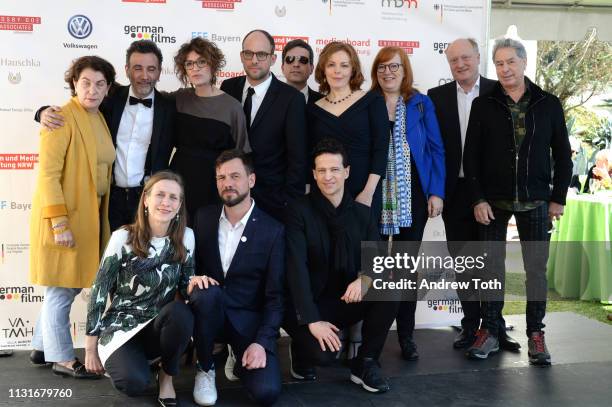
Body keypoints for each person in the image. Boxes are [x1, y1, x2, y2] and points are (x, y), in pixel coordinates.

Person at [463, 38, 572, 365]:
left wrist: (558, 198)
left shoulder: (548, 103)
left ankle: (536, 334)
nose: (505, 69)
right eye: (498, 63)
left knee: (536, 271)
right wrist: (478, 198)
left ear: (524, 63)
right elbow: (471, 157)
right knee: (491, 270)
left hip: (537, 201)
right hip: (492, 203)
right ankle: (491, 332)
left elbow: (563, 156)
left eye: (510, 62)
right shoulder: (484, 104)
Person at [283, 138, 398, 393]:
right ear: (313, 174)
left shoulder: (362, 213)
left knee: (389, 285)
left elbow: (380, 259)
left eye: (334, 169)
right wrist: (312, 320)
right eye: (321, 171)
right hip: (307, 305)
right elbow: (295, 269)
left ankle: (366, 363)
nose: (328, 177)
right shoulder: (297, 211)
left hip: (343, 300)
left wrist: (364, 280)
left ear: (346, 172)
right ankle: (300, 349)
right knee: (324, 358)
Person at [427, 38, 520, 352]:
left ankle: (494, 327)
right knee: (465, 264)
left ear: (478, 57)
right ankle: (470, 327)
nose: (460, 64)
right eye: (453, 60)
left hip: (493, 194)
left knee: (493, 263)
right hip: (456, 192)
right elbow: (434, 150)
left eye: (466, 57)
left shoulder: (500, 91)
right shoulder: (436, 97)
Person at [29, 56, 116, 378]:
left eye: (99, 84)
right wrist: (59, 222)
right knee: (60, 289)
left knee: (64, 286)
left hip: (89, 217)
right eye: (85, 83)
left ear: (108, 88)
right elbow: (48, 176)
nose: (92, 90)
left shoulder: (98, 117)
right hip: (63, 218)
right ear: (73, 84)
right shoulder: (61, 118)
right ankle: (63, 358)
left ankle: (41, 345)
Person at [36, 40, 176, 231]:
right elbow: (79, 104)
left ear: (160, 72)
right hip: (109, 198)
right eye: (137, 68)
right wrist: (43, 112)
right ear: (127, 70)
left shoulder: (171, 106)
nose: (144, 76)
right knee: (107, 257)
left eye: (151, 69)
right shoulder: (109, 97)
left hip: (148, 199)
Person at [84, 171, 194, 407]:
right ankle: (136, 363)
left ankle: (167, 377)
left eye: (173, 197)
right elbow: (100, 290)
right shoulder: (123, 237)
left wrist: (198, 282)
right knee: (133, 384)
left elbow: (186, 287)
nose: (166, 202)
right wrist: (90, 348)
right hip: (121, 327)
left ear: (180, 204)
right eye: (160, 195)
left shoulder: (186, 237)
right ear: (146, 199)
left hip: (158, 326)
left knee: (180, 313)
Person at [189, 150, 284, 406]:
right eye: (221, 177)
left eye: (234, 176)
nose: (227, 183)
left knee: (267, 392)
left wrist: (261, 343)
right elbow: (190, 268)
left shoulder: (272, 230)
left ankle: (239, 353)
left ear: (251, 180)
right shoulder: (203, 218)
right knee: (205, 292)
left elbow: (275, 298)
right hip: (211, 314)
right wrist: (193, 280)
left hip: (247, 324)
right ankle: (205, 367)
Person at [371, 46, 445, 361]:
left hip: (412, 193)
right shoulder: (367, 102)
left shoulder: (420, 103)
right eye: (382, 67)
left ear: (405, 70)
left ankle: (406, 335)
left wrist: (436, 191)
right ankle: (366, 336)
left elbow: (435, 148)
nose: (388, 72)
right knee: (371, 264)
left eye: (394, 67)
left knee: (404, 267)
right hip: (372, 193)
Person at [221, 29, 307, 222]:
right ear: (242, 56)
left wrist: (288, 202)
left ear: (273, 59)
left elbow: (297, 158)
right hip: (230, 197)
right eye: (249, 54)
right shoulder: (228, 87)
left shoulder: (292, 99)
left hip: (273, 201)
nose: (254, 60)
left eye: (261, 54)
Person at [169, 37, 250, 222]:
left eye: (201, 62)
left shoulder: (232, 107)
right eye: (189, 64)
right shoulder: (179, 98)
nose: (195, 68)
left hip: (214, 184)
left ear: (212, 65)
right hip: (179, 179)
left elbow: (241, 152)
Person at [308, 41, 389, 222]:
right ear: (323, 69)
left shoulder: (372, 101)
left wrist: (368, 193)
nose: (338, 71)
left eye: (344, 65)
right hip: (325, 196)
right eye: (331, 65)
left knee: (366, 249)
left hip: (364, 194)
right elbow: (310, 156)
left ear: (353, 70)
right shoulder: (312, 109)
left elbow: (381, 149)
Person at [281, 39, 323, 104]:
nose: (296, 65)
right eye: (290, 59)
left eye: (303, 60)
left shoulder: (323, 103)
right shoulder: (267, 100)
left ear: (311, 69)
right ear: (282, 67)